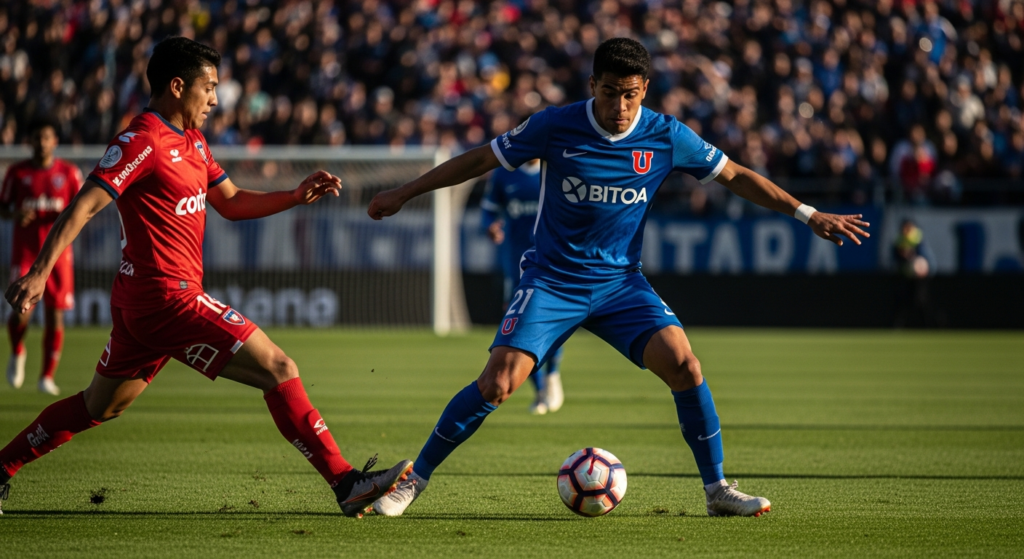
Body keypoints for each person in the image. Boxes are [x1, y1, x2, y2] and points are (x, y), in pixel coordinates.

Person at [366, 38, 870, 518]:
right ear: (593, 85)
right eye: (610, 92)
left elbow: (735, 175)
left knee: (685, 365)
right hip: (551, 281)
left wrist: (808, 213)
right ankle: (415, 480)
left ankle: (717, 489)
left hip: (620, 285)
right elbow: (481, 158)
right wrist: (405, 192)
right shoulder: (554, 126)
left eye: (630, 94)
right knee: (498, 384)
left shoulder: (667, 135)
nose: (620, 105)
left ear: (644, 89)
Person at [0, 37, 411, 517]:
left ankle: (2, 468)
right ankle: (346, 482)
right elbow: (86, 204)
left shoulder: (192, 141)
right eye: (209, 87)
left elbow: (231, 202)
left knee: (100, 407)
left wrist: (294, 196)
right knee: (279, 369)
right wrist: (38, 273)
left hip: (145, 306)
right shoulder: (143, 140)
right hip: (165, 298)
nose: (215, 99)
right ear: (177, 86)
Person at [1, 118, 83, 396]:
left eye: (47, 138)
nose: (42, 143)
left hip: (59, 255)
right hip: (24, 253)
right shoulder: (16, 173)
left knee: (54, 315)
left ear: (54, 142)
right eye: (37, 138)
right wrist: (15, 214)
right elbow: (3, 207)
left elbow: (81, 210)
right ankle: (18, 350)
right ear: (31, 142)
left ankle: (46, 376)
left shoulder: (69, 174)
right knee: (20, 312)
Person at [480, 159, 565, 415]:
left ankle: (552, 374)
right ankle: (540, 391)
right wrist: (490, 227)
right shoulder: (504, 175)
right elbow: (488, 210)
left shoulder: (559, 169)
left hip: (552, 261)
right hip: (517, 264)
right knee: (518, 326)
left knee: (554, 321)